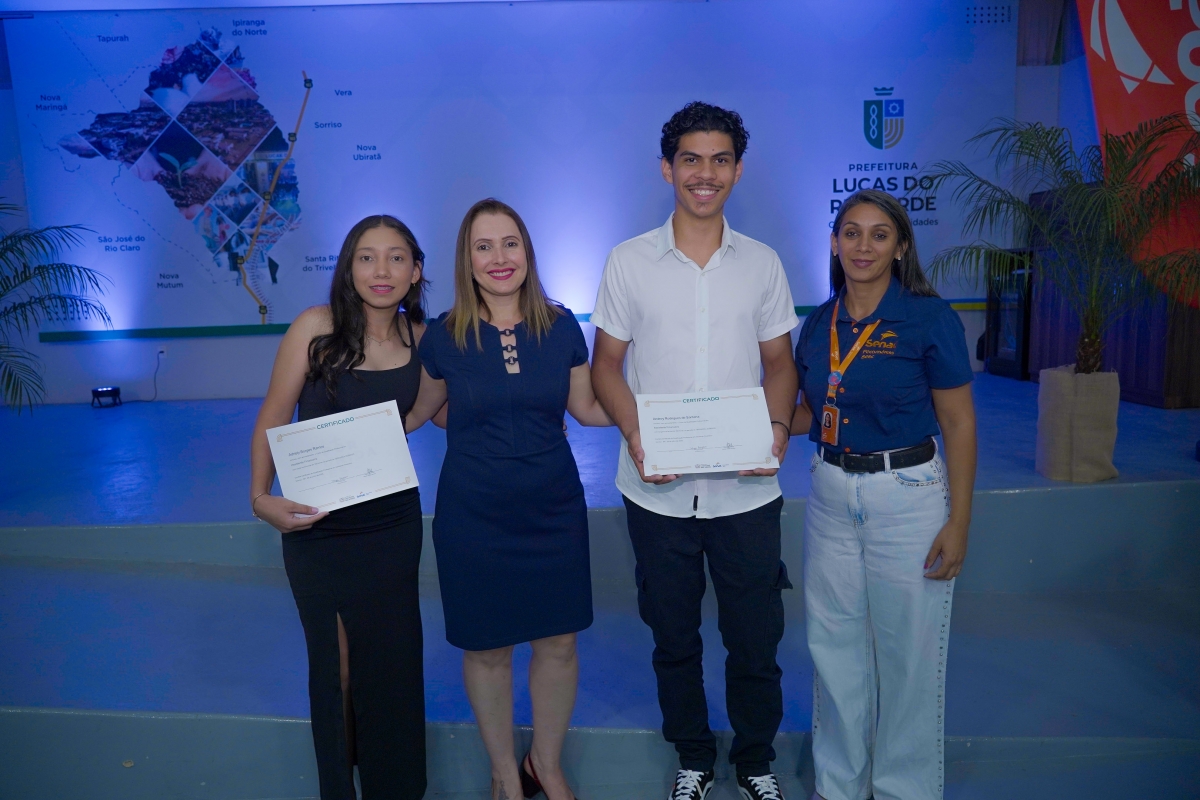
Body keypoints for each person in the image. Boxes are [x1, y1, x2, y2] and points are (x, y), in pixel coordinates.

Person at [590, 102, 800, 800]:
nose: (704, 174)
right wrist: (636, 436)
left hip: (746, 490)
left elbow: (780, 364)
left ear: (737, 171)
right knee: (673, 638)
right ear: (667, 168)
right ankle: (693, 756)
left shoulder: (763, 264)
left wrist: (776, 428)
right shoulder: (627, 262)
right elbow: (605, 367)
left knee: (755, 640)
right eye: (690, 159)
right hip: (657, 493)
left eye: (719, 160)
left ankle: (756, 760)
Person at [405, 198, 612, 800]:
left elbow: (587, 407)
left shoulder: (563, 326)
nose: (499, 257)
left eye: (510, 243)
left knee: (559, 643)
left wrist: (665, 416)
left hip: (554, 509)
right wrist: (335, 439)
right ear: (466, 260)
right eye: (484, 246)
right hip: (474, 513)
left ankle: (545, 764)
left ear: (528, 252)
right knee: (487, 649)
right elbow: (421, 412)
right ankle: (504, 775)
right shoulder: (443, 335)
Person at [790, 190, 977, 800]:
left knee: (909, 656)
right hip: (829, 493)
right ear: (834, 242)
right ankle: (838, 786)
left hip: (908, 495)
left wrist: (959, 522)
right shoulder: (818, 324)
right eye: (851, 233)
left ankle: (905, 790)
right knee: (834, 649)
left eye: (878, 234)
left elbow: (959, 424)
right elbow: (809, 412)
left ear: (900, 247)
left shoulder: (928, 318)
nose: (863, 246)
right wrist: (733, 426)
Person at [249, 215, 432, 800]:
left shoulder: (423, 339)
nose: (382, 270)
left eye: (396, 257)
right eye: (367, 257)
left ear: (416, 271)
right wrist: (260, 497)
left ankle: (396, 789)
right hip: (317, 527)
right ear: (349, 267)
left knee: (393, 664)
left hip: (391, 525)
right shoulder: (315, 327)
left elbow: (433, 410)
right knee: (340, 666)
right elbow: (273, 414)